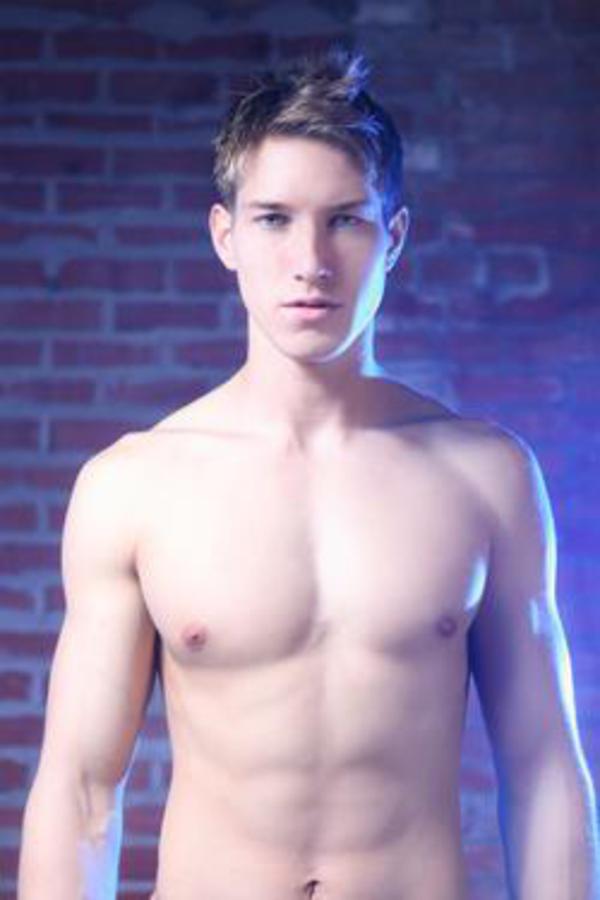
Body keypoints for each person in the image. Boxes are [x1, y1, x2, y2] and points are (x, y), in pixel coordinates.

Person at [18, 48, 598, 900]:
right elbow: (80, 792)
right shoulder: (135, 486)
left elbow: (544, 768)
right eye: (274, 219)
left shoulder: (488, 477)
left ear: (394, 237)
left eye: (346, 220)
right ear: (225, 235)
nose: (311, 261)